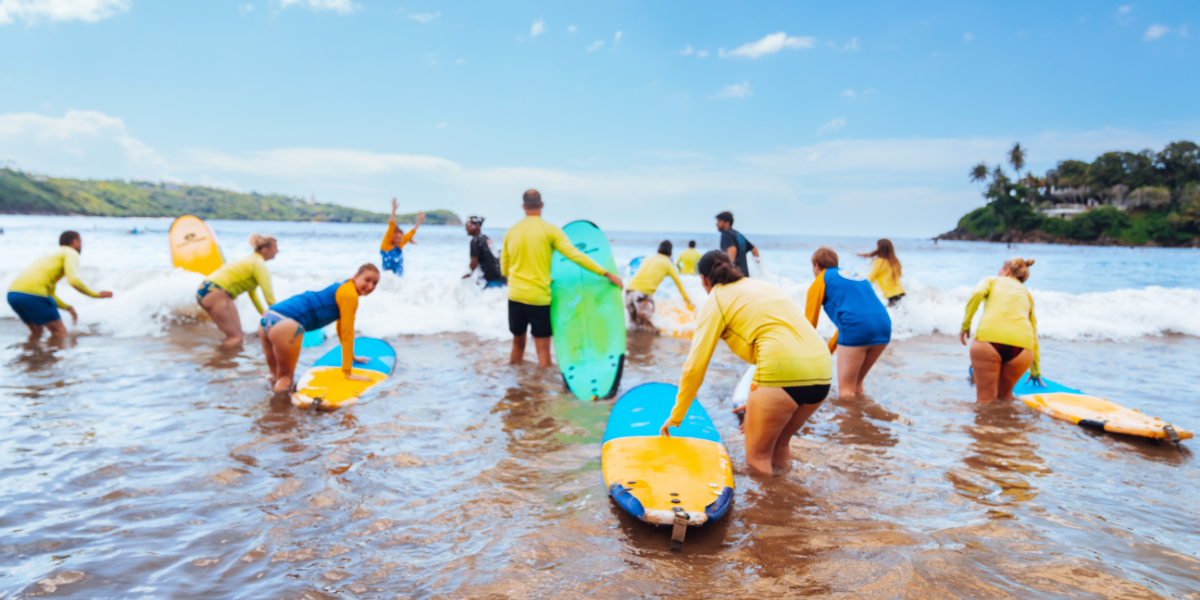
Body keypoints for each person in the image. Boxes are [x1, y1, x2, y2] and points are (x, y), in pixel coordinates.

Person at [659, 251, 831, 476]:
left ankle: (764, 512)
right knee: (779, 445)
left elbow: (695, 366)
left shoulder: (716, 300)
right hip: (822, 371)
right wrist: (761, 400)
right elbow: (783, 340)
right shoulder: (761, 286)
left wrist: (677, 415)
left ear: (704, 280)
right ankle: (788, 506)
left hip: (781, 373)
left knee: (757, 460)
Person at [501, 189, 623, 367]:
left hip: (516, 297)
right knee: (543, 349)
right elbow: (575, 255)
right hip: (539, 298)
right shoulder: (550, 231)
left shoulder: (512, 232)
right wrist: (606, 273)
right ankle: (540, 391)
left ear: (523, 206)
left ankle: (516, 388)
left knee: (517, 344)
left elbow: (504, 269)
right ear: (542, 205)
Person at [259, 264, 380, 393]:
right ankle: (278, 412)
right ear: (356, 277)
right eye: (367, 280)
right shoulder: (350, 295)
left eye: (375, 283)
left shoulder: (342, 287)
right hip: (286, 324)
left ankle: (263, 402)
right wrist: (348, 372)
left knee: (274, 376)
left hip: (268, 317)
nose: (370, 286)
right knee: (285, 380)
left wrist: (351, 356)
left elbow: (341, 328)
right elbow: (347, 332)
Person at [805, 247, 891, 400]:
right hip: (884, 326)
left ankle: (851, 423)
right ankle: (864, 419)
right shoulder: (856, 276)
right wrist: (828, 351)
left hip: (856, 328)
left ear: (816, 265)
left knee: (845, 392)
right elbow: (854, 315)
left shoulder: (822, 278)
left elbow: (809, 323)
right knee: (856, 385)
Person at [960, 258, 1040, 403]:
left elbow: (977, 293)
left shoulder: (991, 280)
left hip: (988, 341)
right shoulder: (1026, 293)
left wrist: (966, 325)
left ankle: (985, 425)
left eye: (1000, 269)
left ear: (1007, 270)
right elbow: (1034, 330)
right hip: (1023, 349)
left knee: (985, 400)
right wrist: (1035, 370)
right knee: (1005, 397)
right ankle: (1007, 424)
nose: (998, 272)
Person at [7, 231, 114, 339]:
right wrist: (95, 295)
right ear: (74, 241)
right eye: (81, 242)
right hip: (33, 295)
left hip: (13, 294)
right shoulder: (71, 253)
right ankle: (57, 356)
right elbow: (73, 281)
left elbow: (49, 295)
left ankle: (31, 354)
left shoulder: (51, 257)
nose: (81, 245)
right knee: (59, 331)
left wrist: (68, 308)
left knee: (37, 331)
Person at [197, 233, 278, 348]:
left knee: (233, 336)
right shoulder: (259, 264)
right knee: (236, 338)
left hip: (205, 290)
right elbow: (269, 298)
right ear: (265, 249)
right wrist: (280, 318)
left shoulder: (251, 261)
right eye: (275, 248)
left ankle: (217, 362)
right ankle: (220, 364)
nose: (277, 251)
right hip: (216, 292)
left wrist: (264, 315)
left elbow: (253, 295)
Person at [624, 240, 693, 329]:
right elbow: (679, 284)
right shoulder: (669, 264)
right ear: (670, 254)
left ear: (658, 251)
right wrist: (688, 301)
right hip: (642, 295)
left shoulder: (647, 258)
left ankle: (632, 342)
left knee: (634, 324)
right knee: (647, 327)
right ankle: (647, 342)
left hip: (629, 291)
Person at [380, 198, 424, 276]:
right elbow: (391, 224)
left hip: (399, 278)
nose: (398, 240)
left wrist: (420, 221)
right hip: (387, 277)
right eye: (396, 237)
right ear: (391, 237)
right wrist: (393, 210)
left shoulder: (401, 243)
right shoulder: (386, 245)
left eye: (400, 238)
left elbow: (412, 232)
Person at [462, 216, 506, 288]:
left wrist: (466, 275)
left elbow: (473, 264)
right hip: (501, 276)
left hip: (493, 279)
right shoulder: (485, 238)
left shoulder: (475, 241)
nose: (466, 228)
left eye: (468, 225)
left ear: (475, 226)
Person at [861, 239, 905, 307]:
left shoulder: (879, 261)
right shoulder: (895, 261)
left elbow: (870, 278)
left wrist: (860, 289)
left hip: (892, 296)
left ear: (879, 248)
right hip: (901, 294)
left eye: (877, 246)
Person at [715, 211, 760, 277]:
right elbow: (754, 250)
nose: (717, 224)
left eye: (719, 221)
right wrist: (760, 268)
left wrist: (728, 270)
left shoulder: (726, 234)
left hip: (735, 276)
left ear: (727, 222)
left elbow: (732, 250)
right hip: (745, 275)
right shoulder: (738, 235)